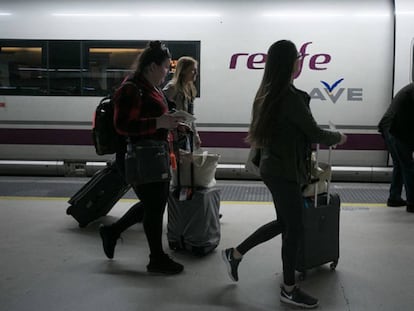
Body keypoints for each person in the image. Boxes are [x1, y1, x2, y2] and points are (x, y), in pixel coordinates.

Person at [221, 40, 347, 309]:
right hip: (284, 171)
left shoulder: (268, 92)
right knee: (295, 227)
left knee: (285, 223)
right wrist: (338, 136)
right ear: (291, 63)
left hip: (276, 168)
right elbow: (314, 132)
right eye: (297, 57)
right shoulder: (288, 97)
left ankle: (235, 254)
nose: (300, 61)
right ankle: (288, 288)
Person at [98, 41, 185, 274]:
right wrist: (159, 122)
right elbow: (123, 125)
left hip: (154, 155)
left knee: (153, 204)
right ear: (152, 66)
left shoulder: (151, 87)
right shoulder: (132, 88)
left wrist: (173, 124)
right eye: (166, 67)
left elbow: (158, 117)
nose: (168, 72)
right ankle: (156, 259)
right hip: (138, 158)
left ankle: (112, 232)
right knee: (154, 206)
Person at [379, 83, 414, 212]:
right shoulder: (412, 91)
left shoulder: (409, 89)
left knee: (400, 164)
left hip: (391, 126)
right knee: (407, 165)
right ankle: (412, 202)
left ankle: (394, 198)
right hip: (395, 128)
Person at [163, 56, 201, 150]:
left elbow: (190, 115)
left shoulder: (189, 89)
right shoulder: (172, 88)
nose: (196, 73)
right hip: (174, 134)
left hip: (184, 134)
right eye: (192, 70)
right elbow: (163, 108)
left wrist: (195, 135)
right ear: (183, 71)